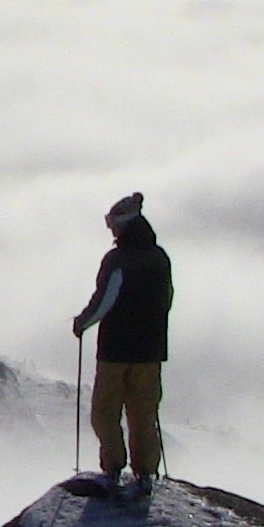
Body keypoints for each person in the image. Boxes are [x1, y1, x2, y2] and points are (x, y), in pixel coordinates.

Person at [73, 192, 173, 495]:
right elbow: (167, 299)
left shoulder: (117, 260)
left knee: (105, 410)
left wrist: (82, 323)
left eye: (113, 225)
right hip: (151, 350)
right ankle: (145, 473)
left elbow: (105, 301)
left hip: (116, 350)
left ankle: (113, 467)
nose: (111, 231)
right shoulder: (159, 257)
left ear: (124, 225)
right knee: (143, 410)